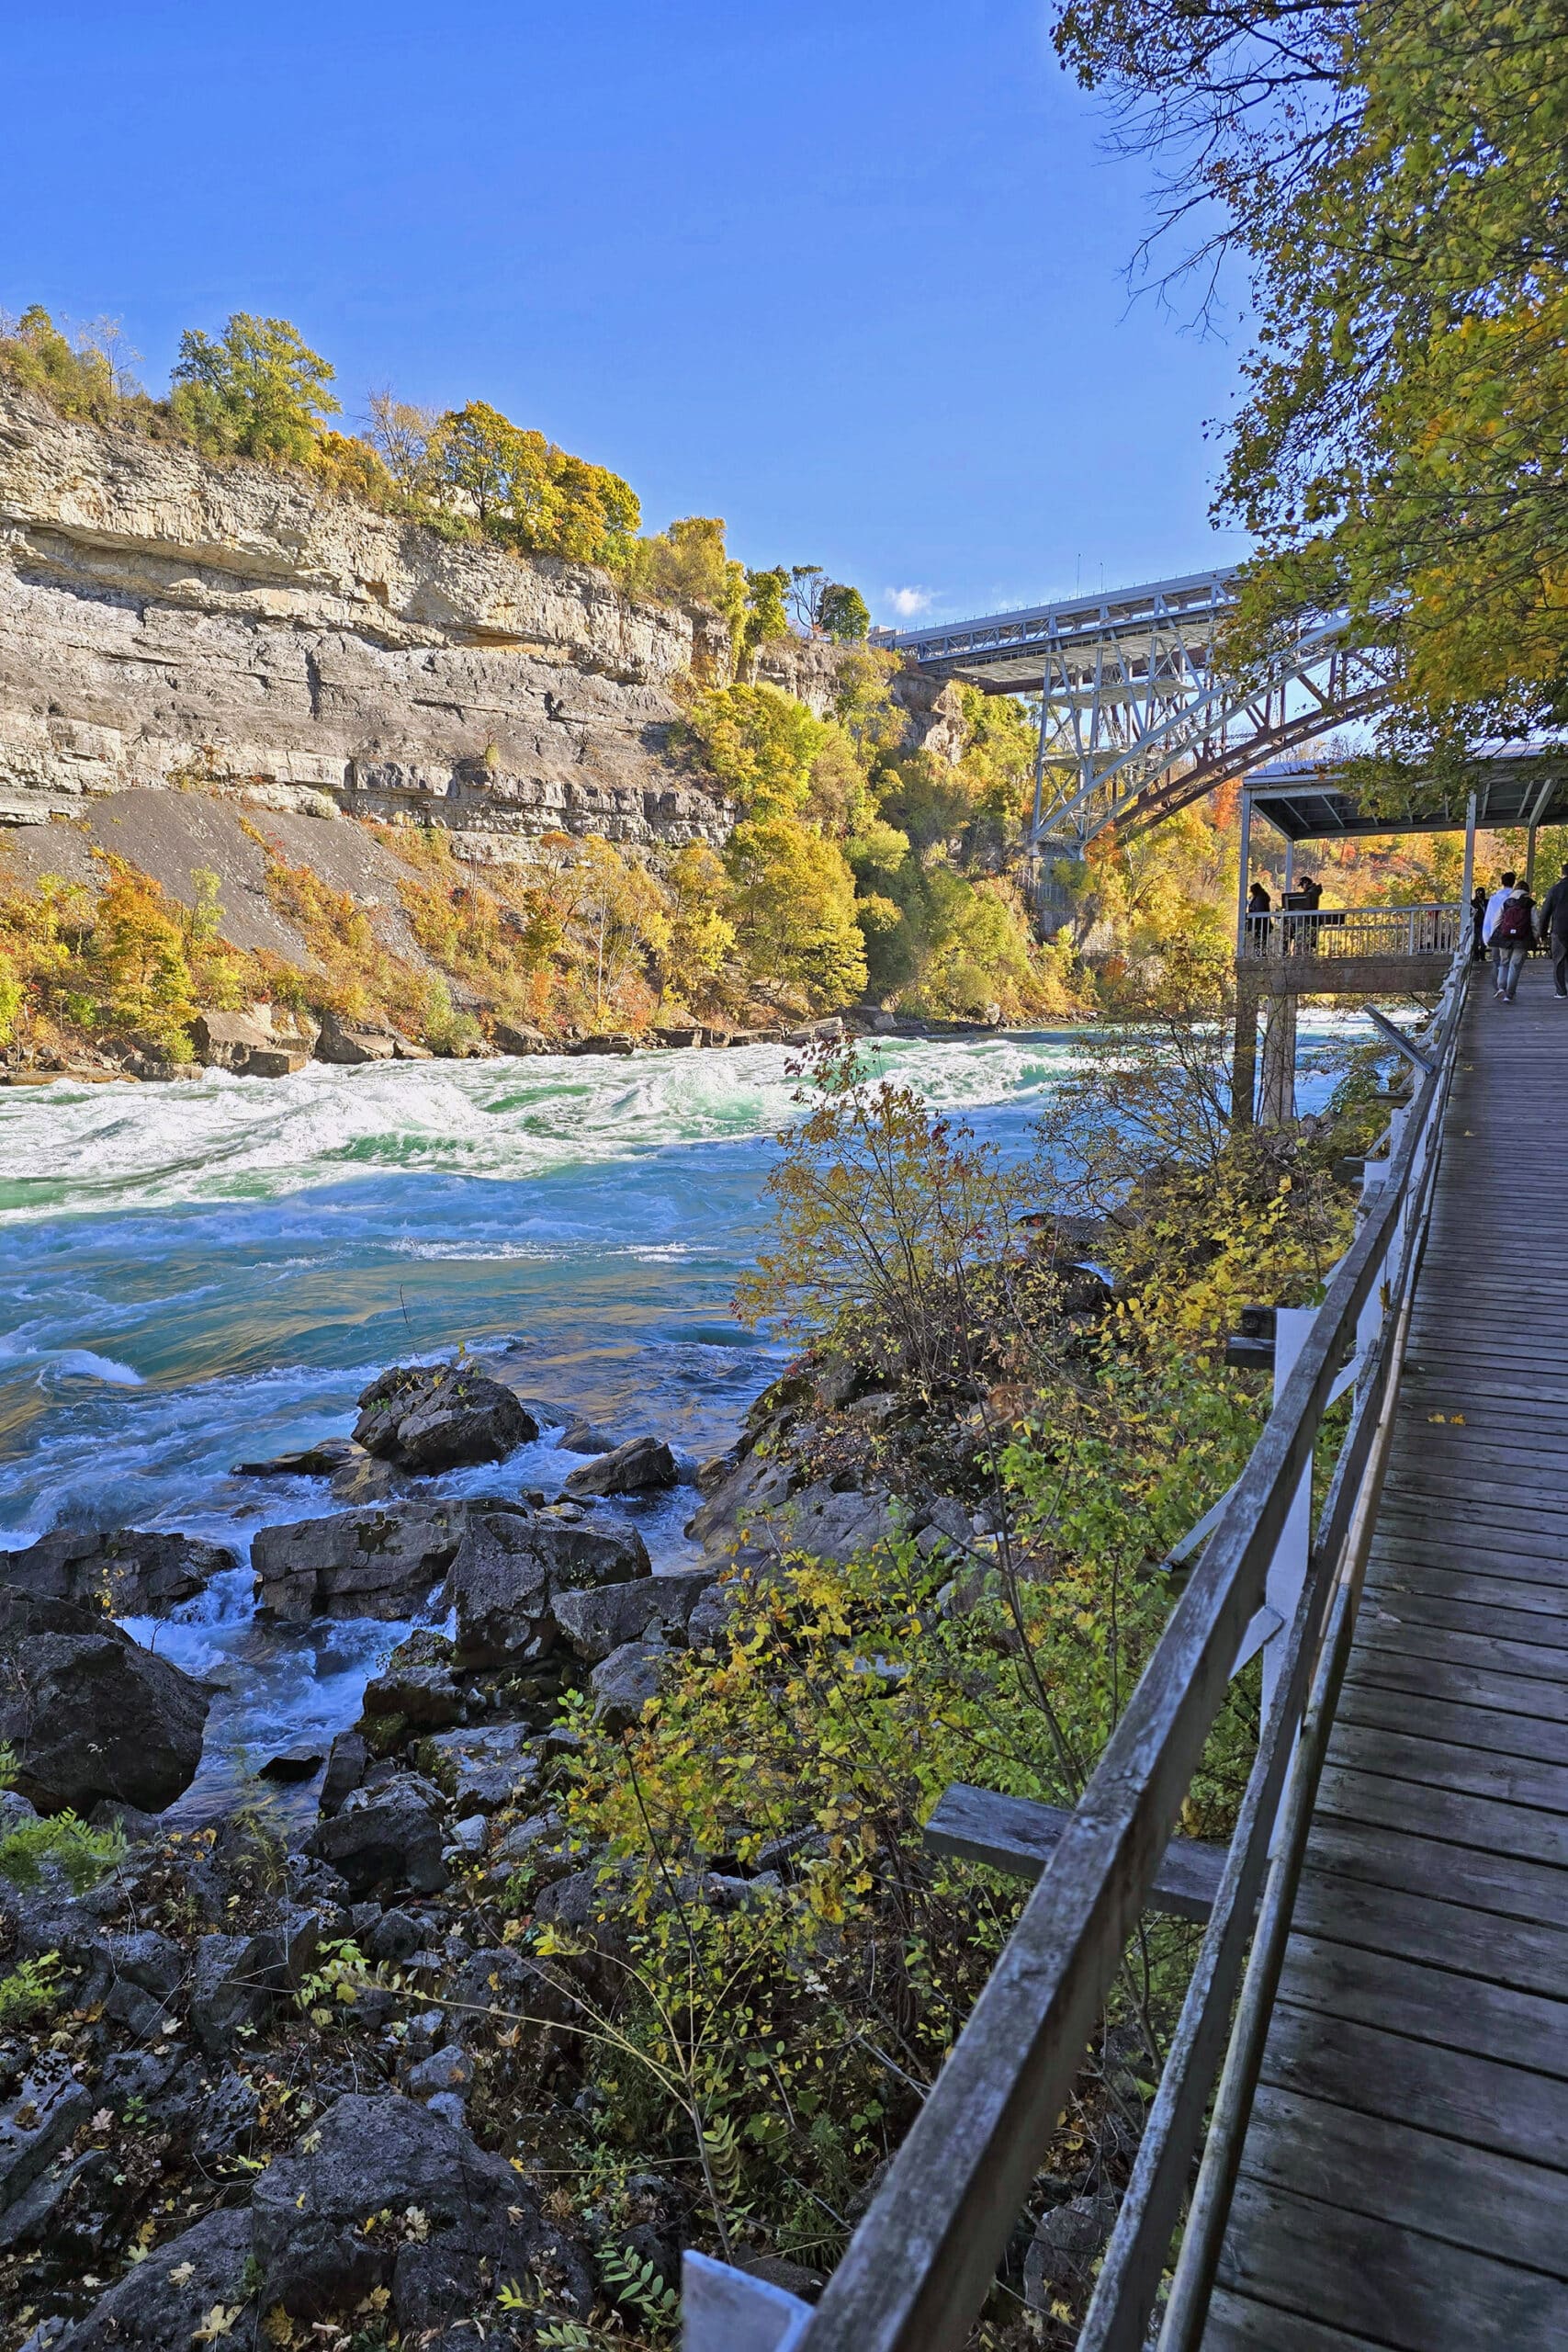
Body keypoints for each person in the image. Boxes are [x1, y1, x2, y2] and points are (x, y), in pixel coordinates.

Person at [1486, 873, 1535, 1000]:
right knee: (1515, 965)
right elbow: (1536, 922)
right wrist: (1535, 936)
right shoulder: (1530, 903)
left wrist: (1495, 935)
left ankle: (1501, 987)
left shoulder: (1507, 902)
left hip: (1505, 937)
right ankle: (1509, 994)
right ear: (1526, 891)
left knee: (1504, 962)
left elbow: (1497, 920)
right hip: (1522, 938)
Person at [1539, 862, 1568, 1000]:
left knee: (1559, 961)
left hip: (1559, 930)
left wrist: (1542, 933)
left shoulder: (1555, 890)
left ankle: (1561, 991)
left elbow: (1545, 912)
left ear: (1563, 873)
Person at [1247, 877, 1271, 952]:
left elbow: (1259, 910)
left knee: (1260, 940)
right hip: (1260, 924)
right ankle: (1260, 952)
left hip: (1260, 924)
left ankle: (1260, 953)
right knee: (1260, 940)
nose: (1252, 893)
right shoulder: (1260, 897)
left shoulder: (1260, 898)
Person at [1471, 884, 1489, 962]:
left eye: (1481, 892)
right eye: (1478, 892)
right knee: (1476, 940)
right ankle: (1476, 955)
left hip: (1485, 924)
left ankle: (1482, 955)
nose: (1479, 894)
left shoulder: (1487, 902)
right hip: (1477, 924)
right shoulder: (1473, 903)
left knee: (1483, 940)